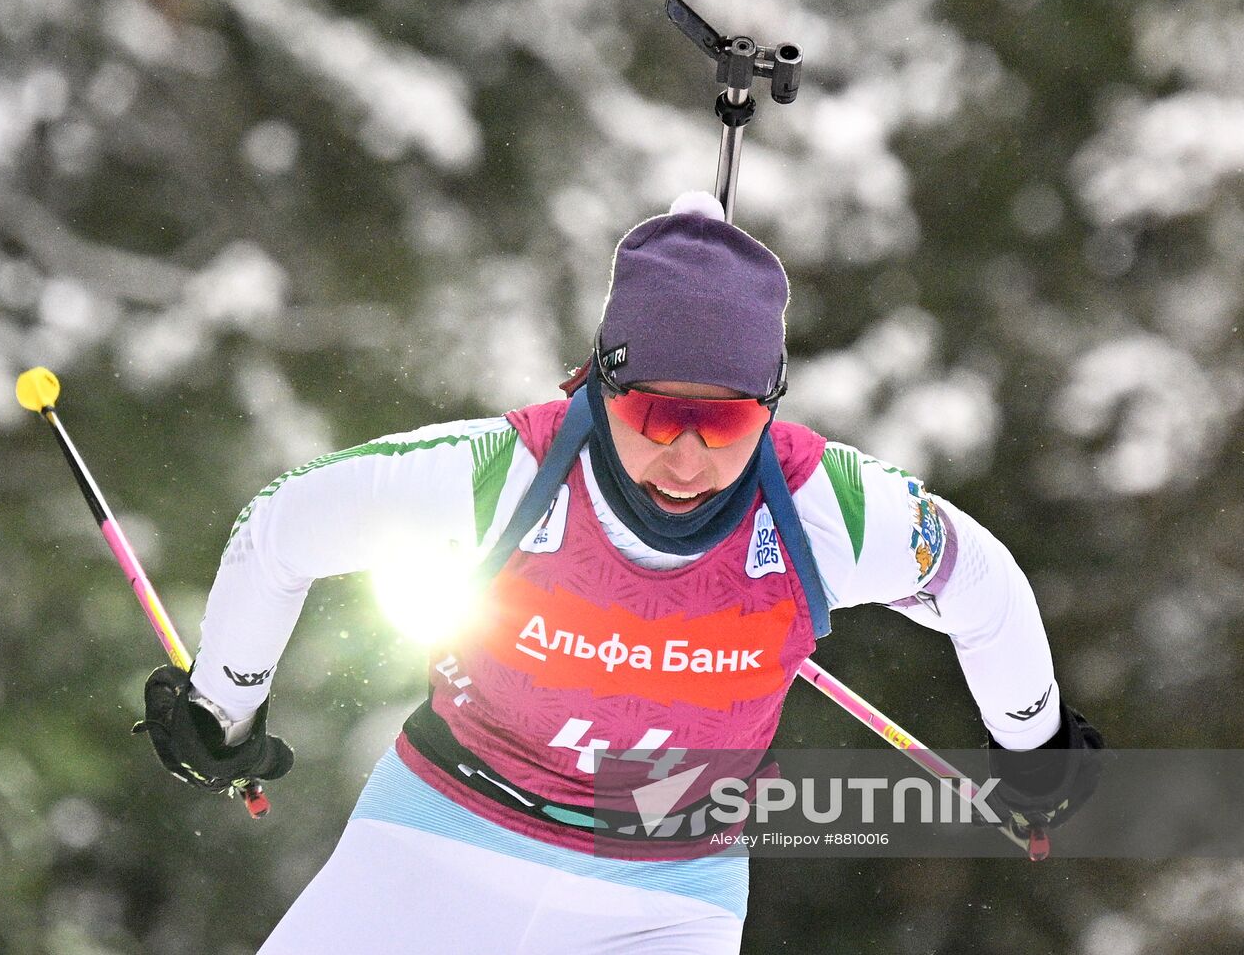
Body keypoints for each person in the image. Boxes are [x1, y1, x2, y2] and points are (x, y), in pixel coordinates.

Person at [135, 191, 1103, 954]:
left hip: (666, 898)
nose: (685, 459)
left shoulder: (825, 507)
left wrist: (1031, 744)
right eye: (651, 415)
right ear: (600, 381)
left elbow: (978, 578)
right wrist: (223, 707)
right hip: (437, 841)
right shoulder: (506, 473)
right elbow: (286, 524)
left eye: (722, 421)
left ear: (769, 405)